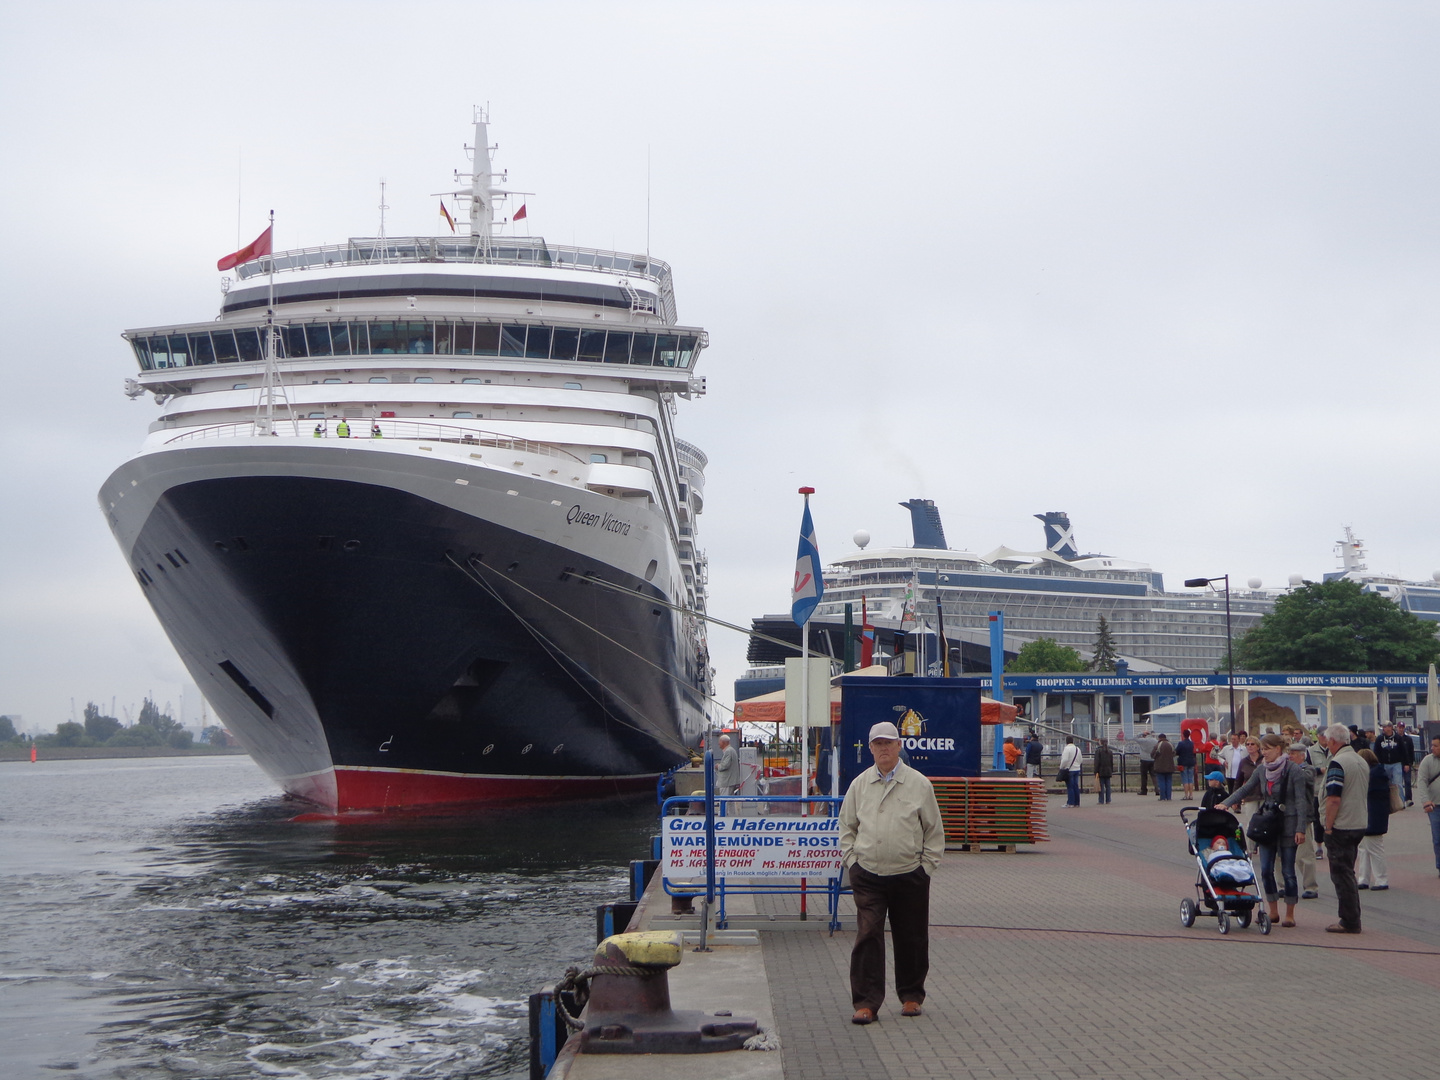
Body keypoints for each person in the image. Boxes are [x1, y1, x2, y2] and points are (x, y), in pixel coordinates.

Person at [838, 721, 943, 1024]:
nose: (884, 749)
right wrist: (852, 862)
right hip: (868, 874)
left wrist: (926, 868)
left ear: (899, 745)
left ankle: (911, 996)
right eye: (878, 744)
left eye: (889, 743)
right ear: (870, 748)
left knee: (911, 937)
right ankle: (866, 1003)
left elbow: (934, 831)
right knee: (868, 935)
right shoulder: (859, 785)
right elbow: (846, 827)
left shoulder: (919, 784)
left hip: (910, 873)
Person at [1217, 733, 1312, 928]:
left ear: (1278, 749)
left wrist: (1300, 828)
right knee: (1266, 870)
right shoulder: (1262, 769)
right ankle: (1273, 911)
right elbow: (1246, 789)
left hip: (1288, 824)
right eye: (1262, 749)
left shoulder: (1293, 770)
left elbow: (1302, 802)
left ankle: (1290, 914)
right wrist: (1226, 804)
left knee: (1287, 871)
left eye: (1267, 749)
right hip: (1268, 824)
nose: (1263, 752)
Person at [1320, 722, 1371, 934]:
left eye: (1326, 740)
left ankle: (1349, 920)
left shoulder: (1338, 763)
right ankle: (1352, 917)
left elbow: (1333, 798)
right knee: (1348, 871)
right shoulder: (1360, 760)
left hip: (1341, 825)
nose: (1325, 744)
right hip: (1358, 822)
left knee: (1341, 874)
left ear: (1333, 741)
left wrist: (1328, 827)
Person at [1286, 741, 1321, 900]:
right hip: (1286, 815)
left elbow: (1304, 779)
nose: (1289, 756)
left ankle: (1311, 886)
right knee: (1282, 855)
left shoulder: (1308, 770)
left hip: (1303, 816)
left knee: (1304, 854)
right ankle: (1283, 886)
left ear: (1302, 755)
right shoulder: (1286, 768)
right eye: (1289, 753)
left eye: (1293, 754)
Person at [1355, 748, 1392, 892]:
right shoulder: (1378, 772)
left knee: (1373, 848)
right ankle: (1364, 878)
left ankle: (1381, 879)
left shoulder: (1373, 774)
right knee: (1364, 848)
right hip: (1372, 815)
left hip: (1372, 816)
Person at [1419, 736, 1440, 879]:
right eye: (1432, 745)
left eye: (1436, 746)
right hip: (1435, 806)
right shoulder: (1427, 761)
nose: (1432, 748)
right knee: (1438, 838)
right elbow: (1421, 781)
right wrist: (1425, 801)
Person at [1373, 722, 1406, 807]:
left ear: (1391, 728)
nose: (1386, 729)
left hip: (1396, 763)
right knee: (1387, 784)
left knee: (1397, 783)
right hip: (1384, 764)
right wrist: (1377, 763)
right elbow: (1376, 751)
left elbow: (1403, 751)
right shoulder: (1380, 739)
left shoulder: (1398, 738)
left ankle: (1401, 802)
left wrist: (1406, 763)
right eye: (1384, 727)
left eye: (1388, 727)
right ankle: (1388, 802)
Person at [1059, 736, 1082, 807]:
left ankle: (1070, 802)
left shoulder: (1067, 749)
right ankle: (1076, 803)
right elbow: (1081, 759)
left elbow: (1065, 759)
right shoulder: (1077, 749)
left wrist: (1061, 767)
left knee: (1070, 786)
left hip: (1069, 769)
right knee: (1075, 786)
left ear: (1066, 741)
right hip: (1077, 769)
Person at [1152, 733, 1176, 801]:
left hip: (1160, 767)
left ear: (1159, 738)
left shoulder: (1158, 745)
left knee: (1161, 782)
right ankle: (1169, 797)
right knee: (1169, 782)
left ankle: (1162, 797)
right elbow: (1174, 753)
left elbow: (1152, 755)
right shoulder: (1170, 745)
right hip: (1170, 766)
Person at [1396, 722, 1416, 805]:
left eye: (1402, 727)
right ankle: (1400, 799)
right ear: (1397, 728)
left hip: (1406, 763)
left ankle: (1408, 798)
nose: (1401, 729)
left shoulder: (1408, 739)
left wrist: (1410, 763)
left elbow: (1411, 752)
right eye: (1399, 727)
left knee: (1407, 781)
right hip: (1397, 763)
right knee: (1398, 782)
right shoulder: (1395, 739)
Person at [1176, 729, 1198, 801]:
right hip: (1191, 762)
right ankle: (1191, 795)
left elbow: (1177, 752)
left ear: (1183, 735)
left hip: (1183, 762)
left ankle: (1186, 795)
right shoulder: (1192, 743)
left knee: (1185, 779)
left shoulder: (1181, 743)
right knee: (1190, 779)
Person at [1136, 730, 1158, 796]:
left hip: (1144, 759)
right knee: (1154, 775)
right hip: (1152, 759)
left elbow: (1135, 738)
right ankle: (1157, 789)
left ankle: (1144, 790)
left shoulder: (1143, 741)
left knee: (1144, 776)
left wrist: (1142, 732)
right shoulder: (1155, 741)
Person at [1093, 738, 1115, 804]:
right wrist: (1111, 770)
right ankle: (1108, 800)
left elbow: (1097, 762)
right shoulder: (1109, 751)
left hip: (1100, 770)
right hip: (1108, 770)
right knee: (1108, 786)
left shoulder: (1098, 751)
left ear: (1100, 742)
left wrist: (1095, 771)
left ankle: (1101, 800)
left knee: (1101, 786)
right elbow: (1111, 762)